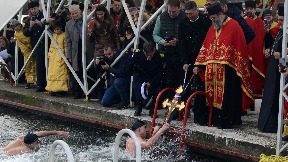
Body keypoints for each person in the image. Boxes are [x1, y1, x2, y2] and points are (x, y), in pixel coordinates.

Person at [193, 2, 253, 129]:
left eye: (213, 17)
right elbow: (206, 46)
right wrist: (198, 64)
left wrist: (227, 57)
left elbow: (239, 47)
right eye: (210, 18)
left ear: (220, 14)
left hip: (228, 70)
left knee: (227, 95)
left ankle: (226, 120)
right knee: (209, 95)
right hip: (211, 71)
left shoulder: (234, 25)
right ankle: (213, 118)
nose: (212, 20)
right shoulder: (212, 27)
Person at [258, 4, 285, 133]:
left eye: (281, 20)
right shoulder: (281, 30)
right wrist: (270, 50)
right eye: (279, 20)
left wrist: (282, 56)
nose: (279, 23)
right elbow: (276, 45)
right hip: (274, 69)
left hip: (282, 70)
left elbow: (283, 52)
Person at [153, 0, 186, 88]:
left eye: (173, 12)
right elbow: (155, 35)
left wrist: (178, 41)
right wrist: (162, 41)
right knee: (168, 81)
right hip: (166, 53)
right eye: (169, 11)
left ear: (179, 8)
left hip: (181, 55)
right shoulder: (162, 17)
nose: (171, 13)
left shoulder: (185, 17)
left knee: (181, 81)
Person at [129, 41, 163, 117]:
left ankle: (153, 110)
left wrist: (151, 83)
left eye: (151, 55)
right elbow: (132, 67)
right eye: (147, 55)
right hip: (141, 76)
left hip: (153, 77)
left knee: (158, 89)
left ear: (154, 50)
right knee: (137, 87)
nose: (149, 57)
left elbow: (159, 73)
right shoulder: (138, 54)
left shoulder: (158, 56)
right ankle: (139, 107)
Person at [95, 44, 130, 109]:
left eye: (109, 54)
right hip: (113, 84)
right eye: (105, 54)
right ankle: (119, 99)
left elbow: (122, 73)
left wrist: (109, 68)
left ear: (114, 51)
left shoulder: (122, 56)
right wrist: (97, 64)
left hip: (123, 82)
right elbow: (99, 71)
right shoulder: (106, 58)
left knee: (118, 82)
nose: (108, 56)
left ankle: (126, 101)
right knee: (104, 102)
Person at [23, 1, 47, 92]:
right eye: (32, 9)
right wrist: (30, 27)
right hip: (36, 45)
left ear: (38, 8)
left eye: (35, 8)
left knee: (47, 64)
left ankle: (48, 83)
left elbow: (49, 27)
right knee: (39, 64)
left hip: (45, 43)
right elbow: (25, 33)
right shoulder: (29, 20)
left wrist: (41, 24)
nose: (33, 11)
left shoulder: (44, 15)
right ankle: (41, 84)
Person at [11, 20, 37, 89]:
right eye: (14, 27)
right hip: (27, 51)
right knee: (27, 66)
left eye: (16, 26)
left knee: (36, 65)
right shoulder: (16, 34)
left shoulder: (26, 28)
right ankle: (29, 81)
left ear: (19, 25)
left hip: (34, 47)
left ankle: (36, 80)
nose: (15, 28)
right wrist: (26, 51)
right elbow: (21, 44)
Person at [66, 4, 84, 99]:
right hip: (75, 50)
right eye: (72, 14)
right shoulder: (68, 24)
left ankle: (89, 90)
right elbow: (68, 41)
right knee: (76, 71)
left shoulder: (86, 20)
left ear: (80, 11)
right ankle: (78, 91)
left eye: (76, 13)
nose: (74, 15)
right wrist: (69, 55)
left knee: (86, 69)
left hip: (85, 48)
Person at [46, 20, 68, 96]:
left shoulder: (64, 35)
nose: (56, 31)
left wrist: (66, 56)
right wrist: (49, 54)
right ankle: (52, 88)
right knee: (52, 73)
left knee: (61, 73)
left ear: (61, 28)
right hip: (53, 57)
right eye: (55, 30)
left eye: (58, 29)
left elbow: (65, 47)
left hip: (60, 56)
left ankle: (61, 89)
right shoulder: (54, 35)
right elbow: (51, 46)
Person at [0, 130, 69, 155]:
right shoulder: (25, 150)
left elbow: (39, 134)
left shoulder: (21, 138)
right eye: (37, 142)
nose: (39, 142)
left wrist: (57, 132)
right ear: (30, 144)